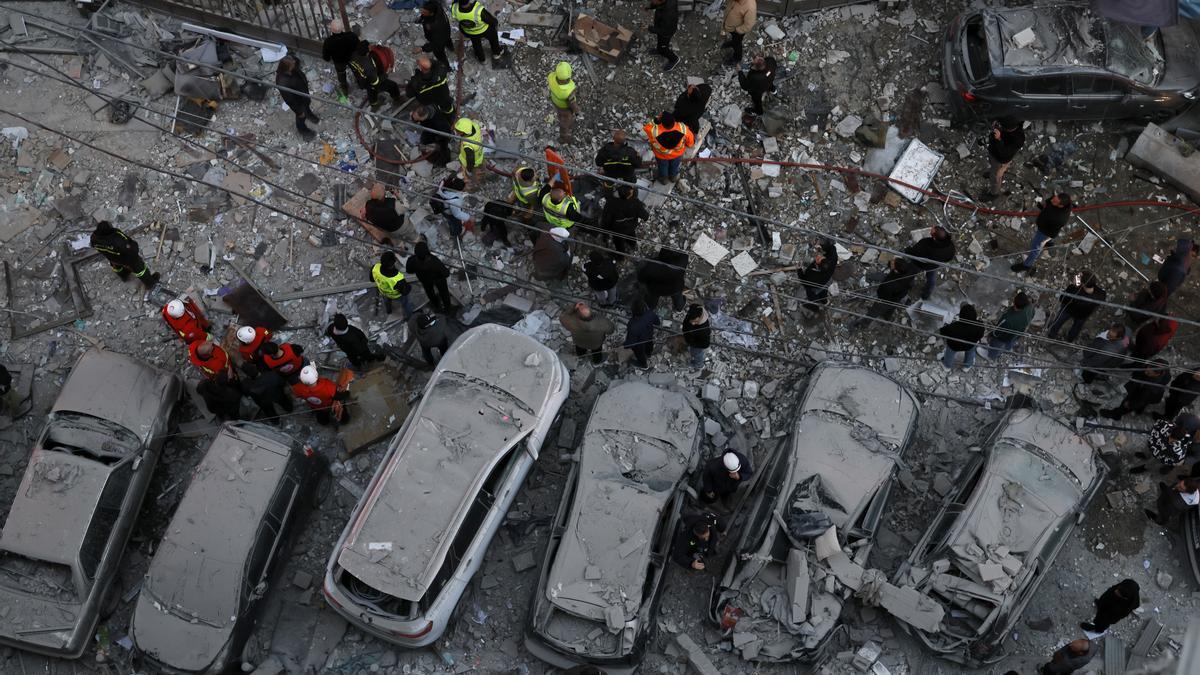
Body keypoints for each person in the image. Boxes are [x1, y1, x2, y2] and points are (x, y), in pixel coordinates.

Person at [1011, 193, 1072, 274]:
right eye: (1054, 198)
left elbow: (1053, 233)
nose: (1052, 200)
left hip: (1044, 232)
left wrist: (1045, 240)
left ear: (1061, 206)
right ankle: (1050, 243)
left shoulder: (1059, 219)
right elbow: (1049, 202)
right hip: (1046, 225)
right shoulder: (1057, 200)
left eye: (1054, 201)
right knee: (1046, 241)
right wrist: (1044, 206)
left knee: (1035, 248)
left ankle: (1026, 265)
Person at [90, 220, 159, 288]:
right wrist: (134, 247)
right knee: (140, 269)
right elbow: (132, 249)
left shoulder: (94, 238)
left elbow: (93, 245)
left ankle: (124, 275)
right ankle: (150, 283)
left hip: (112, 258)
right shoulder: (117, 239)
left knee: (117, 267)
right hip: (126, 258)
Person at [1101, 360, 1171, 420]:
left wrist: (1130, 404)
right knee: (1142, 402)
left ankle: (1116, 415)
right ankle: (1139, 410)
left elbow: (1140, 400)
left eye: (1148, 373)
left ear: (1156, 374)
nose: (1146, 371)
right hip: (1146, 392)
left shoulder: (1150, 388)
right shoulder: (1160, 365)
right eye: (1147, 367)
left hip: (1146, 394)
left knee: (1127, 404)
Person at [1047, 272, 1105, 342]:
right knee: (1076, 328)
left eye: (1079, 278)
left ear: (1082, 283)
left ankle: (1051, 335)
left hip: (1069, 310)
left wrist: (1074, 285)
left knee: (1058, 321)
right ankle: (1069, 340)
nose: (1077, 277)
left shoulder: (1074, 290)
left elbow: (1062, 299)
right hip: (1083, 315)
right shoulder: (1101, 293)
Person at [904, 225, 956, 300]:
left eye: (932, 231)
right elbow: (948, 258)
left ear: (934, 237)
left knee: (910, 273)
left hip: (919, 264)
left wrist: (907, 250)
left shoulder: (925, 244)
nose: (931, 229)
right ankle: (926, 294)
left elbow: (914, 253)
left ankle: (909, 284)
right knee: (931, 280)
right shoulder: (950, 247)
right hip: (933, 266)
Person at [643, 111, 694, 184]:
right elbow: (690, 142)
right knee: (674, 166)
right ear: (673, 120)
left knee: (663, 167)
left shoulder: (654, 131)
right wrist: (688, 145)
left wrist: (656, 120)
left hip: (661, 156)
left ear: (662, 123)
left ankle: (664, 179)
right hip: (677, 154)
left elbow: (646, 127)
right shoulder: (683, 128)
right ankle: (673, 177)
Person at [275, 55, 318, 139]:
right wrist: (299, 112)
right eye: (292, 65)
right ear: (286, 67)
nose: (294, 66)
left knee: (307, 108)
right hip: (298, 103)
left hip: (303, 96)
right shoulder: (283, 82)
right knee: (301, 117)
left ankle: (309, 115)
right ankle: (303, 130)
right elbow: (289, 100)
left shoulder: (293, 69)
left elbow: (296, 64)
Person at [349, 40, 401, 110]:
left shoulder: (352, 54)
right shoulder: (369, 66)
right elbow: (376, 82)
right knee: (392, 86)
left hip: (361, 79)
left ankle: (374, 104)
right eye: (369, 47)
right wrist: (386, 73)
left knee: (371, 91)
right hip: (370, 81)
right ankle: (396, 97)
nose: (371, 48)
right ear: (366, 52)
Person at [599, 184, 649, 257]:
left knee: (619, 243)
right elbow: (645, 216)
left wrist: (605, 234)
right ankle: (633, 246)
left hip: (617, 230)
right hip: (630, 227)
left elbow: (606, 221)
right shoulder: (635, 203)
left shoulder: (611, 204)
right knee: (631, 237)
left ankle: (621, 256)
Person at [862, 257, 916, 323]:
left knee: (876, 310)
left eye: (893, 263)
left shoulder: (889, 285)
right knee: (893, 306)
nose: (891, 261)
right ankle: (887, 316)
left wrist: (880, 296)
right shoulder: (911, 268)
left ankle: (865, 322)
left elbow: (883, 295)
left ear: (896, 270)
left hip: (888, 299)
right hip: (900, 294)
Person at [406, 241, 454, 313]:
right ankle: (448, 309)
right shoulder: (434, 261)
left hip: (424, 279)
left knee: (430, 293)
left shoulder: (411, 260)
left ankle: (436, 306)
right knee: (444, 293)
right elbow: (446, 273)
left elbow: (409, 270)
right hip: (438, 279)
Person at [984, 116, 1025, 199]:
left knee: (995, 177)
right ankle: (992, 172)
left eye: (1002, 127)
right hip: (993, 152)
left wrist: (999, 139)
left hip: (999, 158)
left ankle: (993, 194)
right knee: (993, 167)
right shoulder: (1010, 123)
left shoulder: (1018, 139)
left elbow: (1004, 153)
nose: (1000, 127)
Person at [405, 56, 455, 124]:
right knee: (448, 109)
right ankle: (451, 120)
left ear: (421, 68)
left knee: (425, 112)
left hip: (427, 101)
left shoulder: (416, 83)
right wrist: (427, 62)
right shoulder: (441, 72)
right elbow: (438, 64)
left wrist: (414, 78)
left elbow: (409, 94)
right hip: (443, 96)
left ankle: (426, 120)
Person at [638, 245, 689, 313]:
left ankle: (650, 306)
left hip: (656, 289)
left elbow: (641, 278)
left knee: (652, 298)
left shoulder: (652, 265)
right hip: (675, 288)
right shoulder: (681, 262)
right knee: (677, 296)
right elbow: (685, 255)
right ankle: (679, 307)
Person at [986, 291, 1033, 359]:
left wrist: (991, 335)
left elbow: (997, 331)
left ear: (1014, 303)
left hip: (1003, 337)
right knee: (1010, 342)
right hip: (1017, 334)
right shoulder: (1030, 307)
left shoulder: (1008, 319)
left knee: (996, 345)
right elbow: (1032, 315)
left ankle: (991, 356)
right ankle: (1006, 349)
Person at [594, 130, 642, 196]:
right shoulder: (631, 152)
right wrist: (639, 157)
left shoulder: (604, 151)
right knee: (630, 185)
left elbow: (598, 163)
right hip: (627, 175)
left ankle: (608, 196)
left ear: (613, 138)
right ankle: (630, 194)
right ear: (625, 140)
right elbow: (638, 165)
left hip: (610, 174)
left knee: (608, 185)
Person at [321, 19, 360, 99]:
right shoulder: (351, 36)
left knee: (341, 74)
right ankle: (360, 82)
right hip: (351, 58)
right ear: (342, 28)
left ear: (331, 30)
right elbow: (358, 46)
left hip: (339, 62)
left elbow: (326, 57)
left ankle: (345, 88)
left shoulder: (328, 42)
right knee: (356, 70)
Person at [940, 303, 985, 369]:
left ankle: (947, 365)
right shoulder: (980, 325)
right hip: (969, 345)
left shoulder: (954, 326)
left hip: (954, 345)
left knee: (949, 352)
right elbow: (981, 335)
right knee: (971, 351)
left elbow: (943, 332)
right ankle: (967, 366)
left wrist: (946, 324)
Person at [370, 251, 413, 318]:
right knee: (405, 303)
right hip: (396, 296)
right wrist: (409, 286)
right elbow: (405, 292)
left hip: (383, 292)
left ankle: (389, 311)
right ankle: (409, 316)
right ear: (394, 262)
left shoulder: (375, 267)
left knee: (387, 302)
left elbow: (372, 279)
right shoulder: (398, 278)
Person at [799, 239, 837, 313]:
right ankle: (825, 302)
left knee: (812, 296)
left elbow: (804, 282)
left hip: (814, 287)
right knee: (823, 292)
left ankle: (815, 308)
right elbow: (832, 248)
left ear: (817, 267)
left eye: (817, 259)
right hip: (826, 282)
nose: (818, 256)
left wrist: (799, 270)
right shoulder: (832, 260)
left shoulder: (812, 275)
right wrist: (822, 246)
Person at [546, 61, 580, 145]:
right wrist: (577, 111)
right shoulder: (568, 91)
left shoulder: (551, 77)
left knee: (560, 115)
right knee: (564, 123)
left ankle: (564, 127)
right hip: (565, 109)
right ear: (568, 77)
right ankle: (564, 138)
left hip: (556, 102)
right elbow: (572, 103)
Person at [625, 298, 660, 369]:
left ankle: (643, 365)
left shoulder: (632, 324)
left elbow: (631, 341)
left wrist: (626, 346)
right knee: (649, 344)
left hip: (639, 342)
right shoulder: (650, 314)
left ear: (633, 311)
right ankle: (648, 354)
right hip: (649, 335)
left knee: (639, 353)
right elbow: (658, 322)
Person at [416, 0, 452, 70]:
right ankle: (451, 47)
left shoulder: (434, 26)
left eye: (424, 12)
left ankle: (446, 67)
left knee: (440, 55)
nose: (421, 13)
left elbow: (436, 44)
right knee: (448, 39)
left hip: (440, 38)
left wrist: (422, 48)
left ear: (431, 13)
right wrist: (422, 18)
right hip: (446, 32)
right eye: (422, 10)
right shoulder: (437, 7)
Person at [721, 0, 757, 66]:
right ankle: (732, 43)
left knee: (737, 44)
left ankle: (737, 58)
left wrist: (737, 30)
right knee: (734, 40)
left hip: (737, 30)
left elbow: (748, 25)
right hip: (730, 26)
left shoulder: (750, 6)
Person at [647, 0, 680, 71]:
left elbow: (664, 31)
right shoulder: (663, 3)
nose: (652, 1)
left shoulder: (669, 14)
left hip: (666, 33)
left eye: (654, 0)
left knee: (664, 48)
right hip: (661, 27)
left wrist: (649, 28)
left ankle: (674, 59)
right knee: (660, 41)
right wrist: (650, 7)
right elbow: (656, 5)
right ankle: (659, 50)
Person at [454, 117, 484, 185]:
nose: (457, 132)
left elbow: (470, 160)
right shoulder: (475, 126)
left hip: (474, 162)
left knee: (471, 175)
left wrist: (468, 170)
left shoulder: (468, 146)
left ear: (465, 132)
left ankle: (473, 183)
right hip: (480, 155)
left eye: (459, 131)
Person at [682, 303, 711, 369]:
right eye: (691, 321)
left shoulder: (704, 330)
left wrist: (692, 344)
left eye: (696, 321)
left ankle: (698, 364)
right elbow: (686, 323)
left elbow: (705, 345)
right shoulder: (693, 312)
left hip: (697, 345)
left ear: (700, 318)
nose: (692, 323)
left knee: (697, 354)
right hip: (691, 339)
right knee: (692, 350)